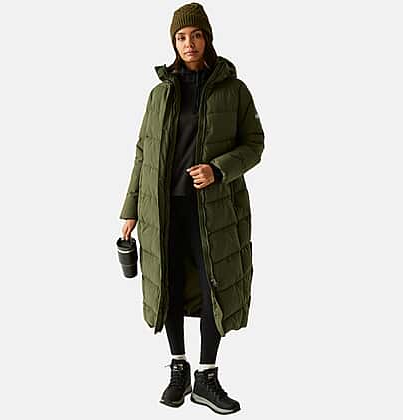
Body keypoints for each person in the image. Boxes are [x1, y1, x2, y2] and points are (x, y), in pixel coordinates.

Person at [119, 2, 265, 415]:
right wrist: (130, 209)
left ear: (207, 38)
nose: (189, 43)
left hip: (213, 210)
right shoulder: (160, 94)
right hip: (164, 209)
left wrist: (218, 169)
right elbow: (143, 153)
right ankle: (178, 370)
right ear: (174, 42)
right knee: (169, 284)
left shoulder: (233, 90)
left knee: (212, 284)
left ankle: (207, 376)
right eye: (181, 37)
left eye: (196, 35)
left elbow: (254, 144)